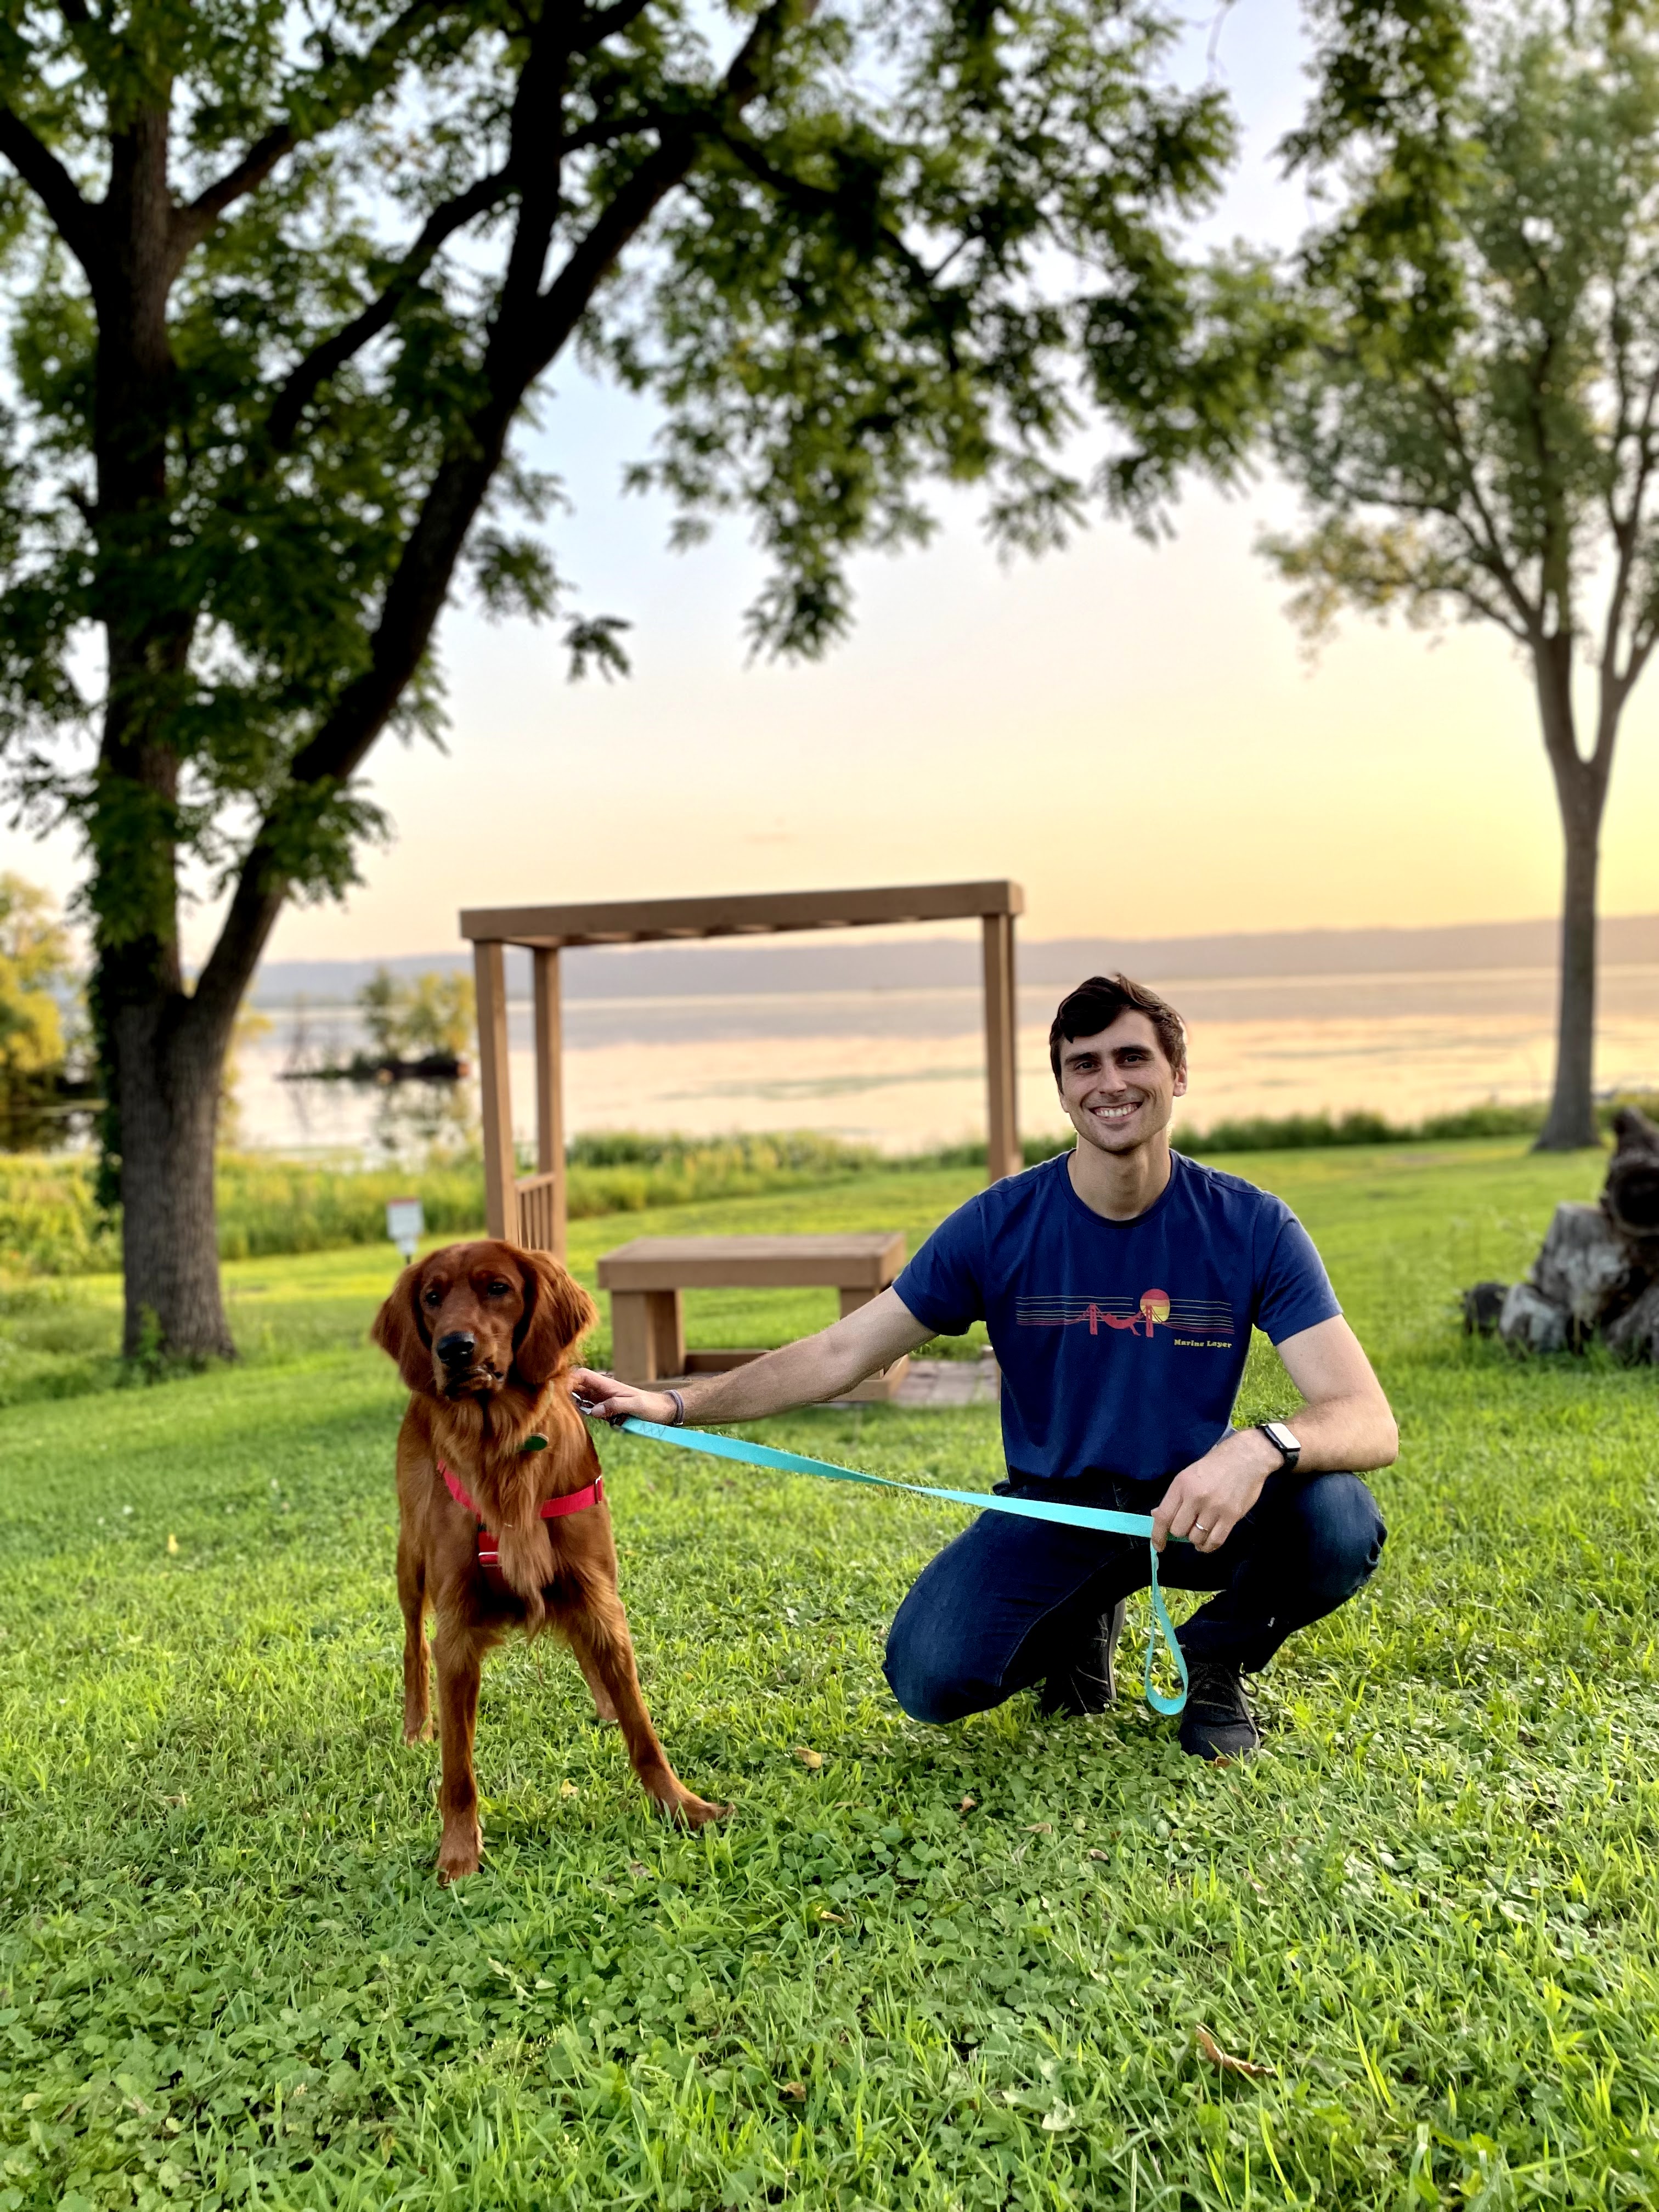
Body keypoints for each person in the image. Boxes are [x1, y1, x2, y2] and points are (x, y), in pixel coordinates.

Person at [571, 973, 1397, 1760]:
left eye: (1132, 1057)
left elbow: (1365, 1415)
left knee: (1338, 1521)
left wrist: (1256, 1449)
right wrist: (673, 1403)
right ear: (1064, 1091)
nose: (1110, 1082)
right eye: (1085, 1064)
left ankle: (1215, 1657)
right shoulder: (999, 1226)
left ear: (1177, 1075)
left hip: (1191, 1509)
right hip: (1056, 1510)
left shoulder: (1252, 1226)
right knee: (930, 1675)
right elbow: (839, 1353)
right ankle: (1080, 1619)